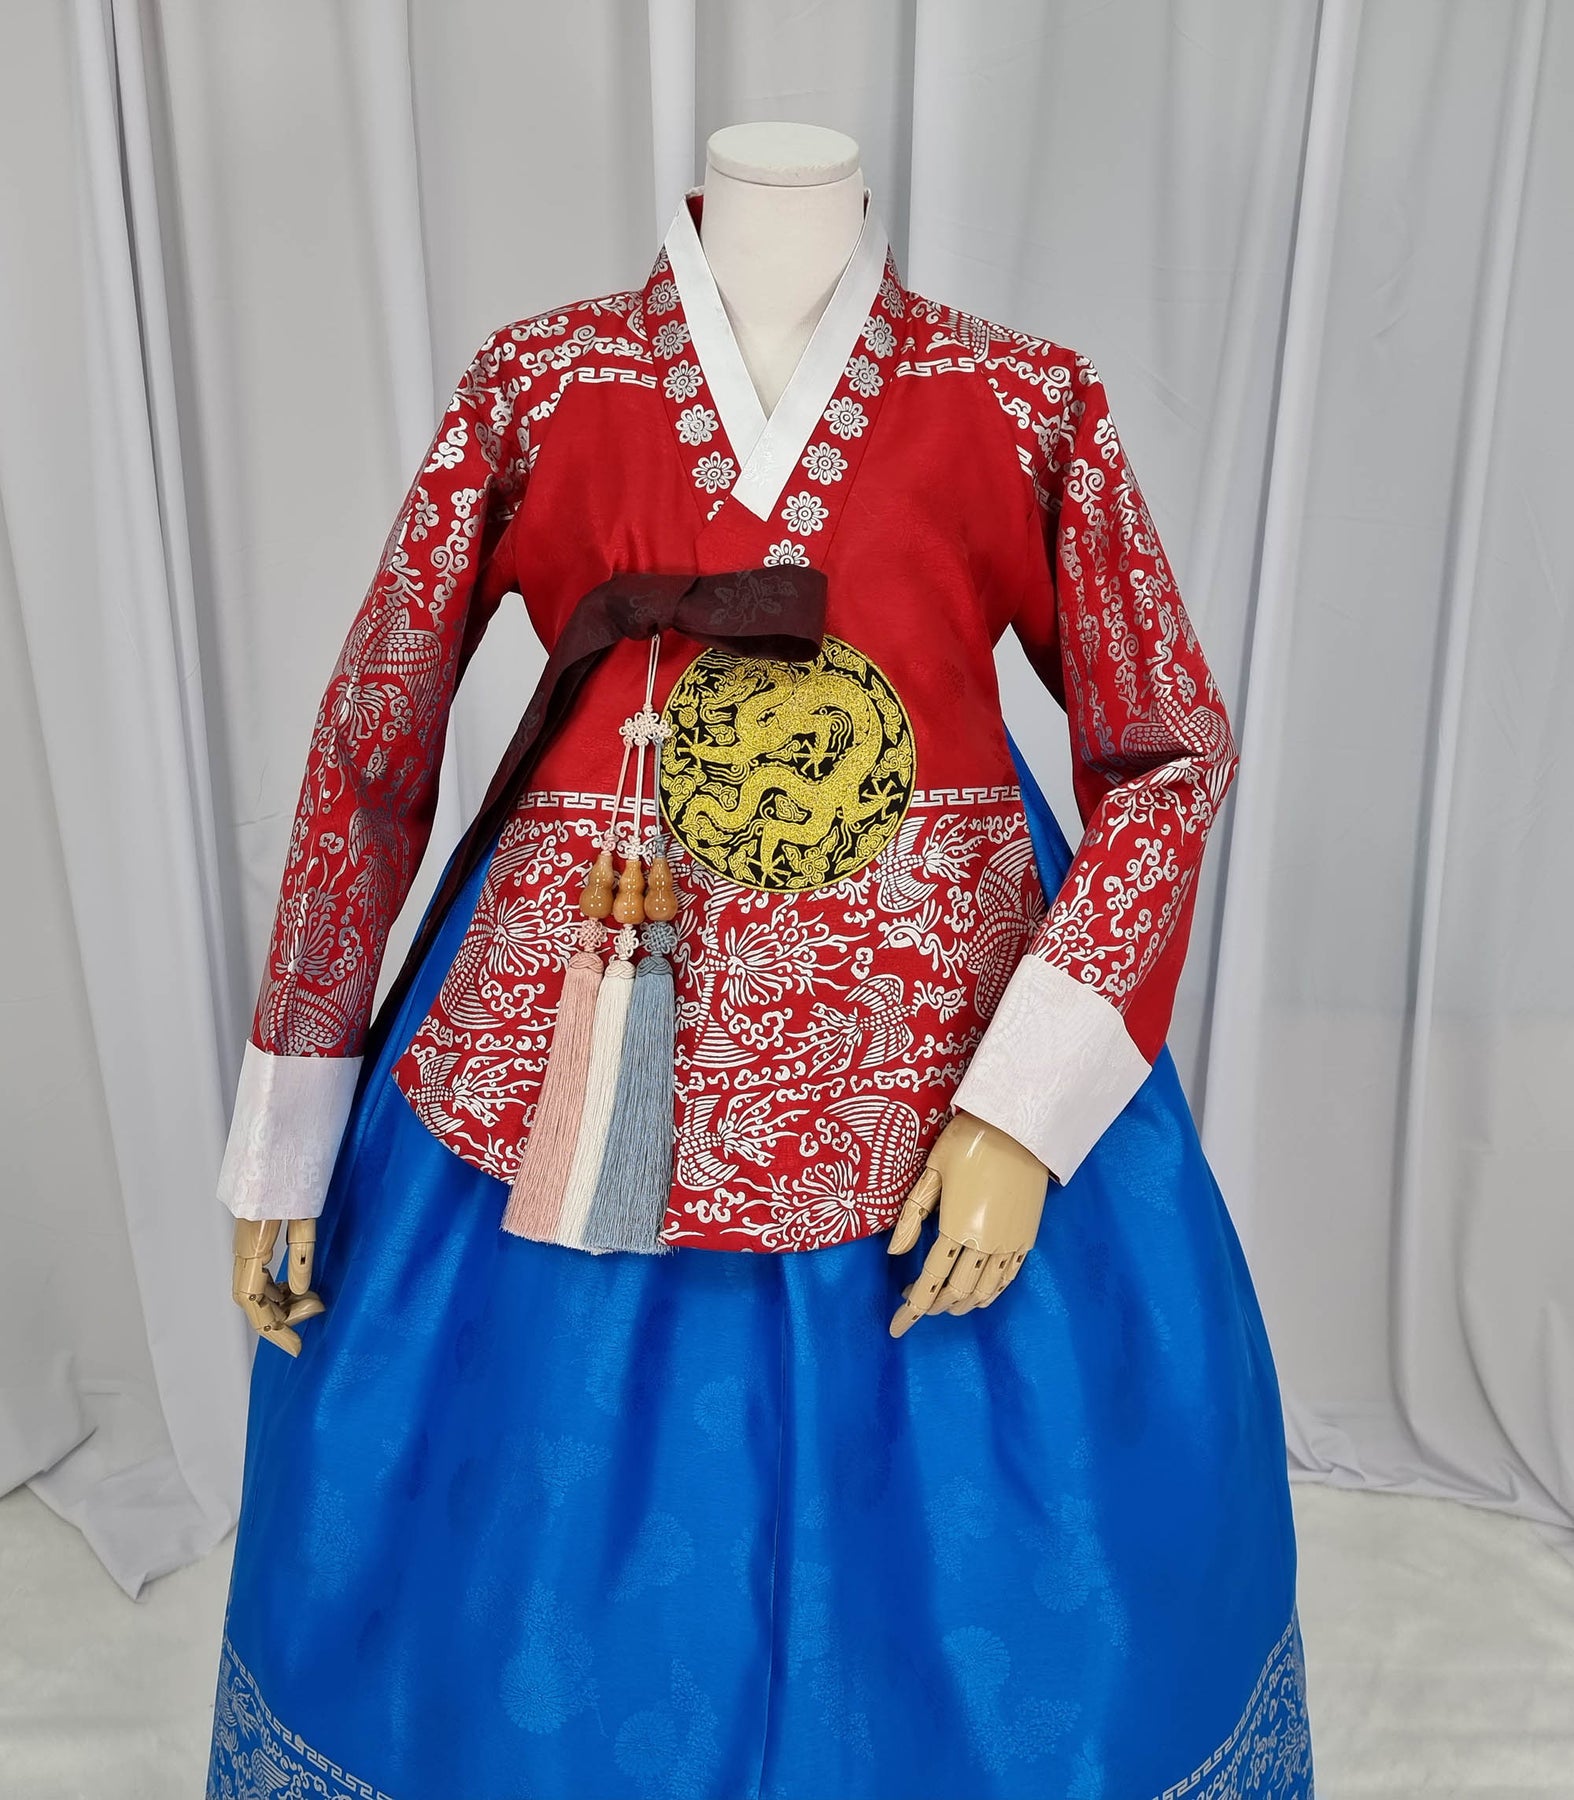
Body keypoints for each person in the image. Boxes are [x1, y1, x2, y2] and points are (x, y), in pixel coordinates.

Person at [207, 123, 1312, 1800]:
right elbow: (376, 732)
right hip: (580, 999)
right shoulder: (538, 382)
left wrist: (1023, 1113)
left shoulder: (1022, 399)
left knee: (1005, 1509)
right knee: (516, 1530)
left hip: (938, 1008)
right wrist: (292, 1113)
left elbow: (1168, 750)